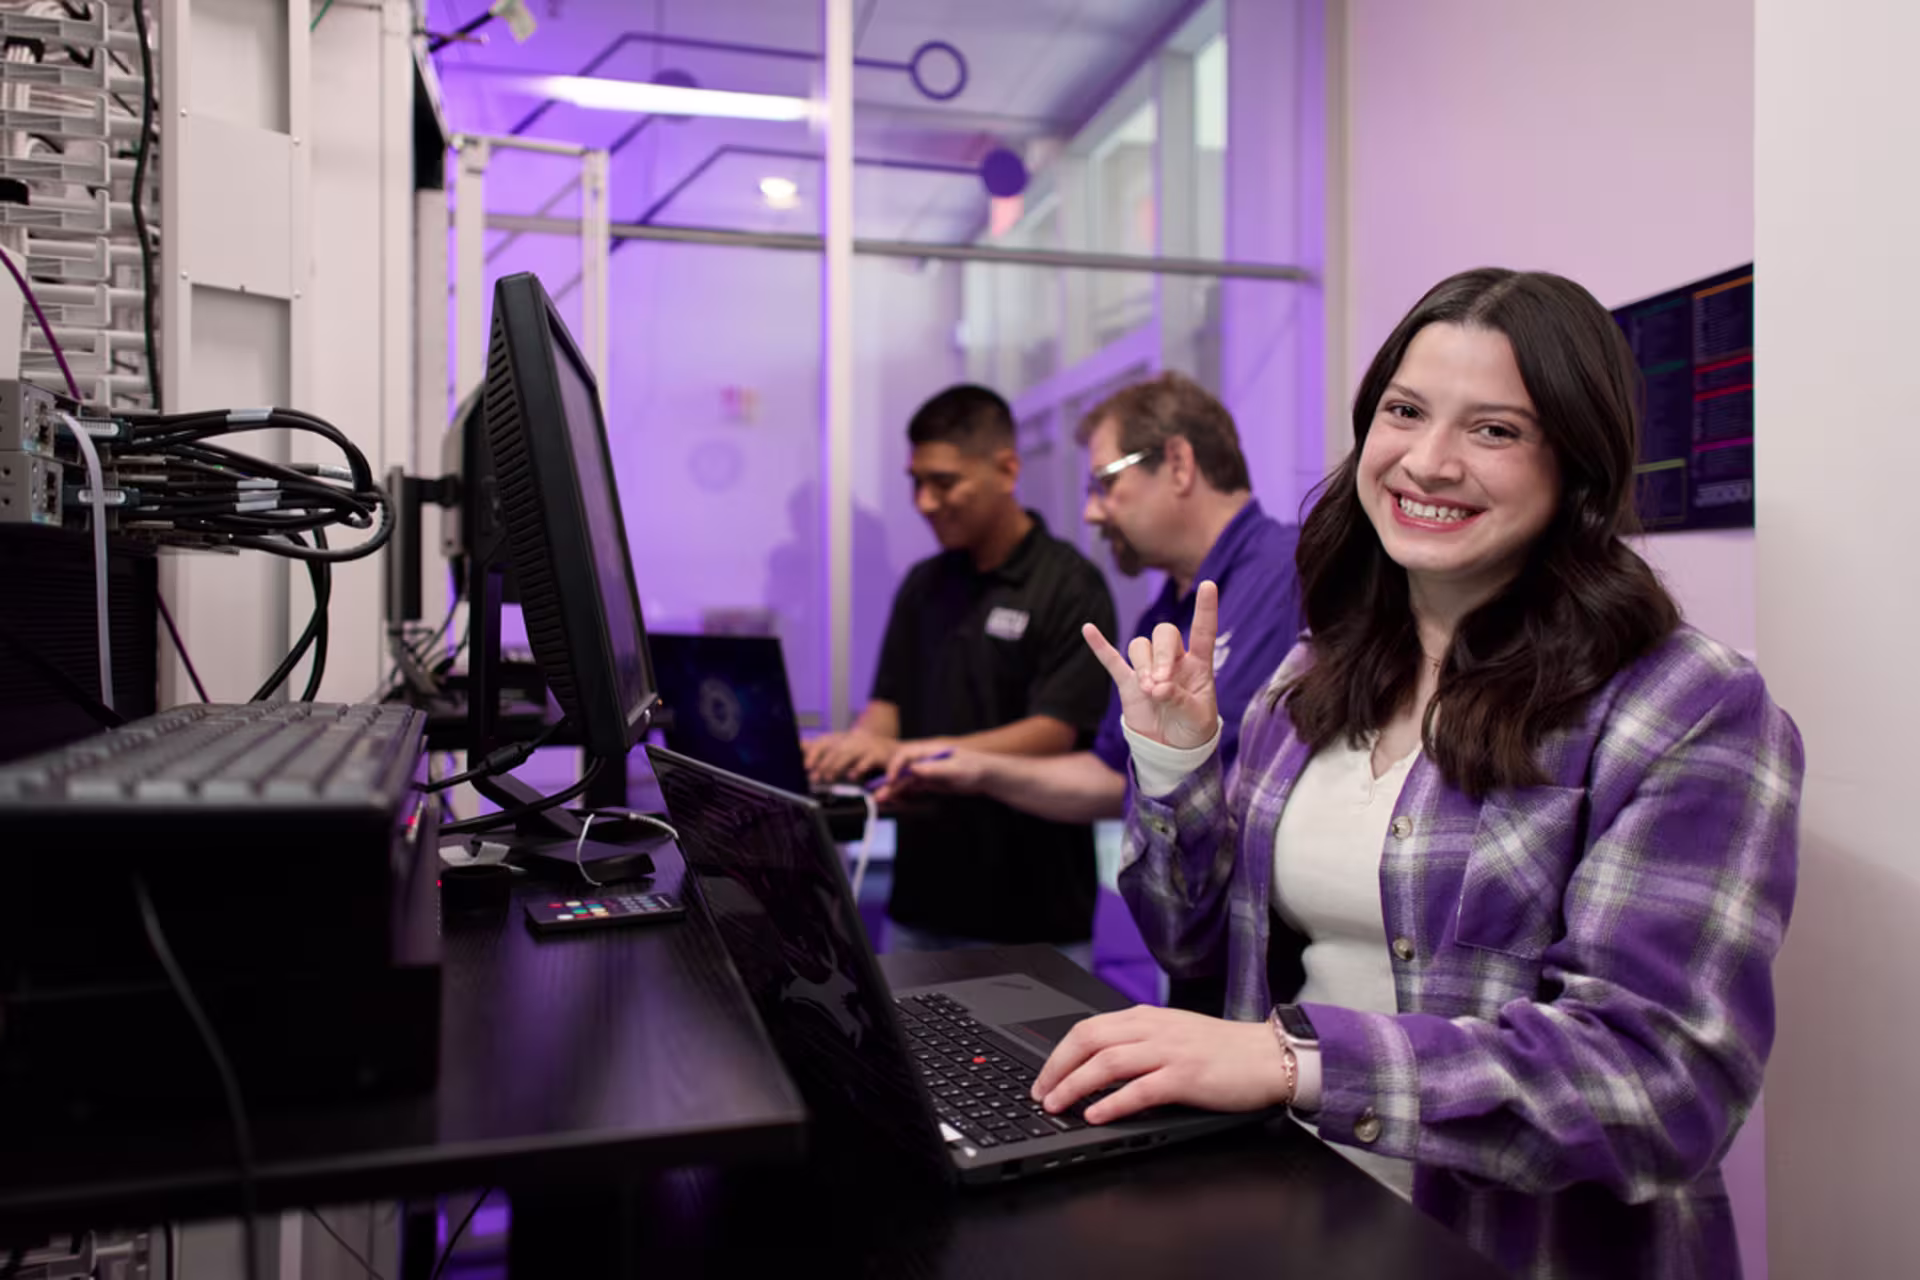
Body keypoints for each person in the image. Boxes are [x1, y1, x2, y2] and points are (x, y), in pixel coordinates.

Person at [1028, 269, 1802, 1279]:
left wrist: (1294, 1057)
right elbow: (1192, 942)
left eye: (1495, 430)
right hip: (1290, 1216)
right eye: (1404, 411)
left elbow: (1661, 1085)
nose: (1428, 462)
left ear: (1577, 463)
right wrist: (1176, 762)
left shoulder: (1685, 706)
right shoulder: (1315, 675)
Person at [881, 372, 1304, 1011]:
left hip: (1293, 974)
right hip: (1202, 953)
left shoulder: (1300, 571)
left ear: (1179, 464)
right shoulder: (1159, 619)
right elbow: (1112, 781)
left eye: (1106, 483)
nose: (1091, 511)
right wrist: (974, 770)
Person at [803, 384, 1117, 965]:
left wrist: (923, 752)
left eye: (943, 483)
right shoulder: (923, 586)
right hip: (922, 910)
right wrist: (857, 748)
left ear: (1006, 469)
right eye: (916, 482)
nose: (924, 501)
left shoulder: (1069, 585)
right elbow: (887, 707)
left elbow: (1056, 731)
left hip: (1035, 919)